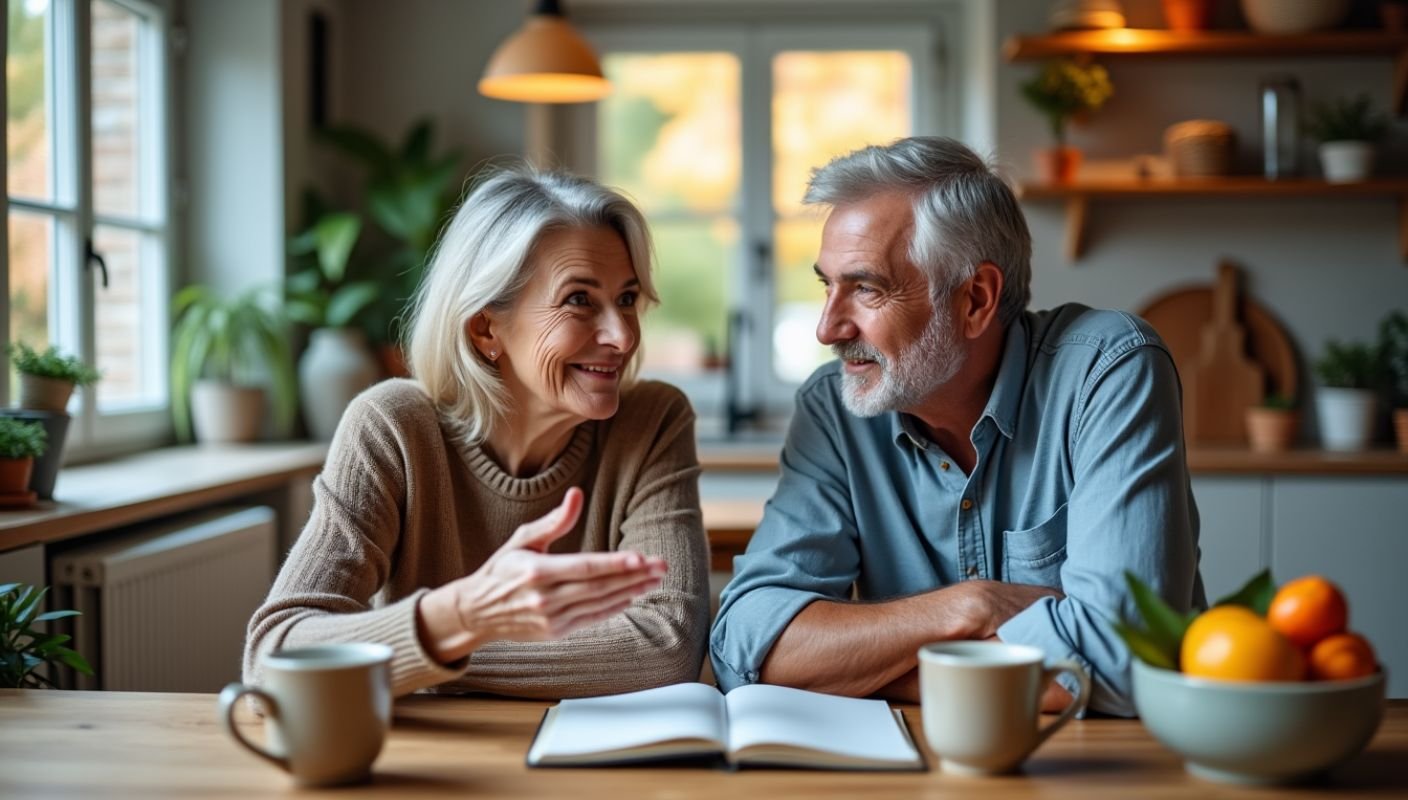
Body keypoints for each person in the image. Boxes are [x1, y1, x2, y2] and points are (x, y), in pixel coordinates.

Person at [709, 137, 1203, 716]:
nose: (828, 328)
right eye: (827, 285)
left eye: (866, 287)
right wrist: (972, 607)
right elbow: (747, 646)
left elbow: (1123, 663)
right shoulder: (834, 408)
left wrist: (863, 664)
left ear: (975, 300)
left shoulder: (1108, 370)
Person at [245, 168, 709, 699]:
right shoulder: (392, 428)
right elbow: (272, 657)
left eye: (627, 299)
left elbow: (667, 646)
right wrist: (466, 612)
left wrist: (431, 652)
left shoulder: (652, 420)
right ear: (486, 328)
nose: (622, 335)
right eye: (579, 300)